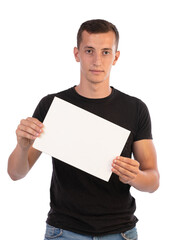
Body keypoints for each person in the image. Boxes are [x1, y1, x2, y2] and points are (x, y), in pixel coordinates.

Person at [8, 19, 160, 240]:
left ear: (116, 57)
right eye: (89, 50)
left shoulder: (135, 109)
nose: (97, 60)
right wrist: (22, 147)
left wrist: (134, 176)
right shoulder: (52, 105)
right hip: (64, 231)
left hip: (120, 231)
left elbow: (153, 180)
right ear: (76, 53)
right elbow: (16, 173)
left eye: (106, 52)